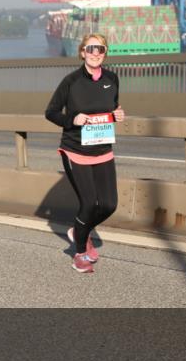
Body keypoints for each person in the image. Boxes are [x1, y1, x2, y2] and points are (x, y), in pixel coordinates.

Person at [44, 33, 125, 274]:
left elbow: (112, 107)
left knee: (109, 205)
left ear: (105, 53)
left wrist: (118, 114)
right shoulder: (71, 81)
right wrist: (72, 119)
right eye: (90, 49)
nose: (95, 53)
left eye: (100, 49)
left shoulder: (112, 79)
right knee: (89, 204)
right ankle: (80, 253)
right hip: (75, 150)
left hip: (103, 150)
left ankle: (79, 231)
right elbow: (51, 112)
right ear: (82, 52)